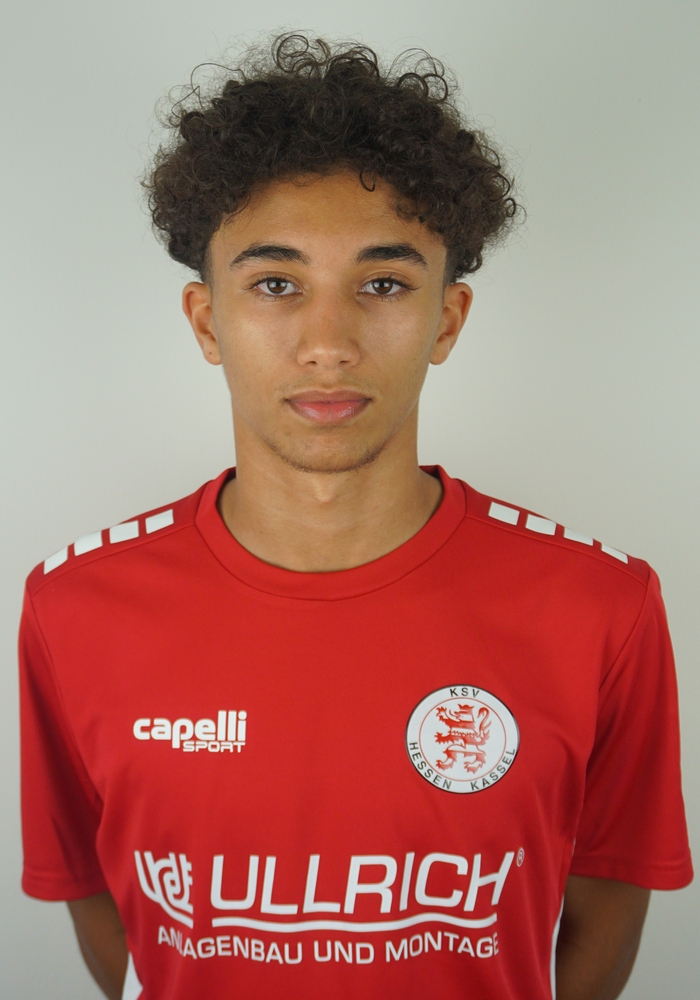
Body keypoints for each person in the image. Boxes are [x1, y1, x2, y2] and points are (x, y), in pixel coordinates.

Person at [19, 33, 692, 1000]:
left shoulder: (602, 606)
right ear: (207, 321)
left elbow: (607, 902)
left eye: (382, 284)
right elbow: (98, 897)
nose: (328, 342)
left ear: (446, 319)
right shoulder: (74, 606)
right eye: (276, 284)